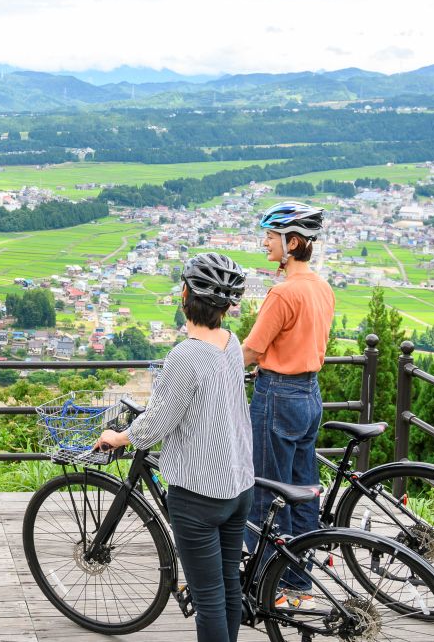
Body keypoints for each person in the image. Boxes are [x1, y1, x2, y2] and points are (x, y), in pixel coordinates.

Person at [96, 253, 253, 642]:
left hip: (198, 495)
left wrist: (120, 436)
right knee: (229, 585)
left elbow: (158, 422)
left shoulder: (184, 356)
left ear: (186, 295)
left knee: (209, 597)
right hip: (238, 484)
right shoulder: (230, 345)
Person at [241, 202, 335, 609]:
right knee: (301, 491)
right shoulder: (321, 287)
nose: (265, 242)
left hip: (277, 395)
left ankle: (262, 583)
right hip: (310, 394)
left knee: (264, 491)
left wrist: (210, 366)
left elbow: (252, 349)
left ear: (292, 242)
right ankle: (298, 583)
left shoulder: (283, 293)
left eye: (271, 236)